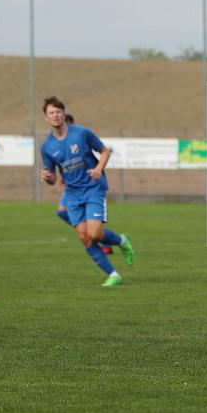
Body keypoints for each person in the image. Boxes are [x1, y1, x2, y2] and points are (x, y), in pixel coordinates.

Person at [39, 96, 135, 286]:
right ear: (46, 118)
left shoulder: (82, 133)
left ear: (64, 114)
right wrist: (48, 178)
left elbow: (105, 151)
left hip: (93, 188)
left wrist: (98, 169)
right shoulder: (47, 146)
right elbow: (53, 178)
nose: (55, 115)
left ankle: (122, 241)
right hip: (73, 194)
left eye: (58, 111)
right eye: (51, 113)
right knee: (84, 237)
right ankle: (113, 275)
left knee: (95, 234)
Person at [56, 114, 113, 255]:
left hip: (87, 185)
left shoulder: (80, 137)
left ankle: (103, 240)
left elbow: (100, 153)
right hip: (72, 188)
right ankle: (87, 229)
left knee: (93, 231)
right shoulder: (58, 143)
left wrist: (97, 170)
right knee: (61, 212)